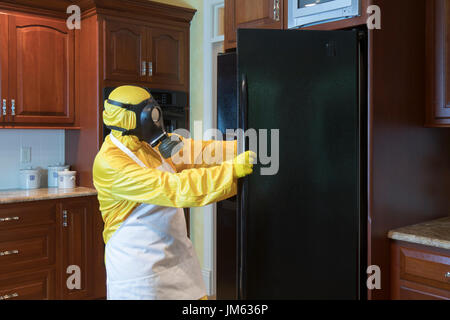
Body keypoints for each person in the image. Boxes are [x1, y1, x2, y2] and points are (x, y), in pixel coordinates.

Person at [93, 85, 255, 300]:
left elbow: (198, 152)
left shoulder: (151, 145)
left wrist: (245, 147)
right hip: (140, 273)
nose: (155, 119)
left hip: (177, 259)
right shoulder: (110, 163)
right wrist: (231, 171)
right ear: (132, 119)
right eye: (150, 114)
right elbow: (175, 188)